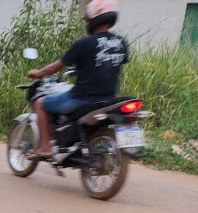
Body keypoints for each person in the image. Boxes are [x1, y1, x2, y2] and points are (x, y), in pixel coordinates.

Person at [28, 0, 129, 157]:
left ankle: (47, 147)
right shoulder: (121, 43)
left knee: (40, 103)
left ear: (92, 20)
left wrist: (39, 73)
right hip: (108, 99)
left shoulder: (85, 43)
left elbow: (57, 66)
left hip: (81, 98)